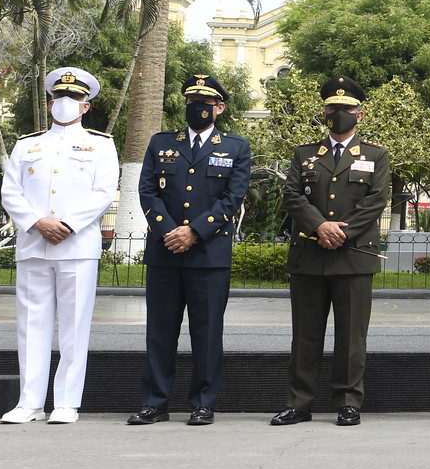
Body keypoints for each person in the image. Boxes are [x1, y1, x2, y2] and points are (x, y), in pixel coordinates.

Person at [0, 67, 119, 425]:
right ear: (51, 102)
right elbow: (10, 191)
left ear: (86, 106)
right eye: (59, 97)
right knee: (31, 324)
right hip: (34, 242)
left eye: (74, 98)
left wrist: (67, 224)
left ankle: (66, 402)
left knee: (73, 325)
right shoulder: (27, 143)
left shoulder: (101, 144)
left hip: (76, 245)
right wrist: (37, 222)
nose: (65, 103)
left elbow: (103, 192)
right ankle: (29, 402)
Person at [130, 73, 252, 427]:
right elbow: (148, 191)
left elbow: (233, 198)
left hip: (209, 256)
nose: (197, 107)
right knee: (160, 332)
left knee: (208, 332)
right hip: (165, 252)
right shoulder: (161, 142)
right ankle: (154, 403)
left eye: (205, 103)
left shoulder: (235, 148)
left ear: (219, 108)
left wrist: (195, 232)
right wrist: (171, 231)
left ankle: (203, 403)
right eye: (191, 102)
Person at [270, 76, 390, 427]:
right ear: (324, 112)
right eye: (333, 108)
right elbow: (292, 195)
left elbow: (376, 200)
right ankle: (299, 403)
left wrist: (341, 231)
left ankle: (349, 402)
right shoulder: (304, 153)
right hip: (310, 254)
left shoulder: (375, 155)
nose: (340, 114)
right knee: (305, 335)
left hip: (354, 257)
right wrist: (319, 226)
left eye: (347, 109)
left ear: (360, 114)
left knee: (351, 337)